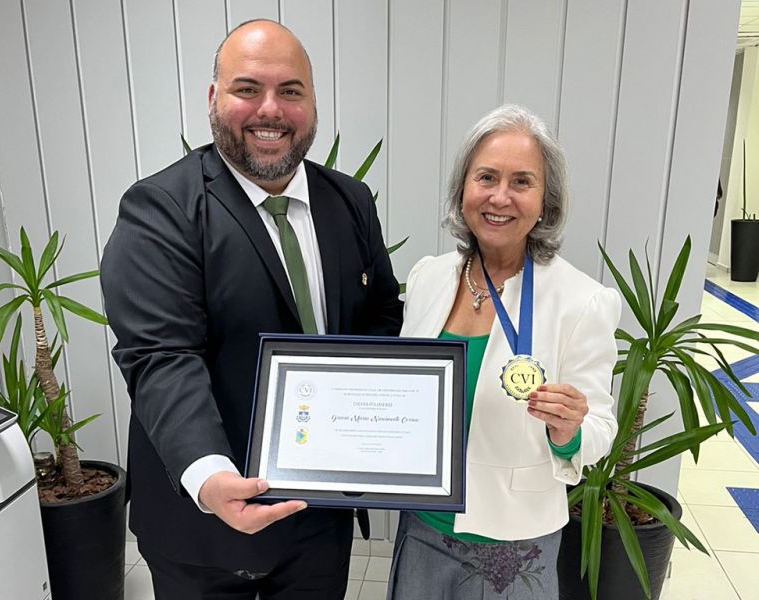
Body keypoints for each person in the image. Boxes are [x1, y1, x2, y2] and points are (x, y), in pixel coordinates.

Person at [100, 19, 402, 600]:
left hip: (320, 518)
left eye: (291, 90)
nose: (271, 109)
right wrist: (210, 475)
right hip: (206, 524)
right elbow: (162, 357)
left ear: (313, 103)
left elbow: (380, 316)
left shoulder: (350, 201)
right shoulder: (162, 209)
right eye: (247, 89)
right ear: (213, 98)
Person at [386, 105, 621, 600]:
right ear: (463, 189)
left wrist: (569, 431)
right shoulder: (429, 277)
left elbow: (600, 426)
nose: (499, 197)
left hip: (514, 543)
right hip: (422, 526)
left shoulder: (583, 302)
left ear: (544, 202)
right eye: (486, 177)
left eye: (522, 182)